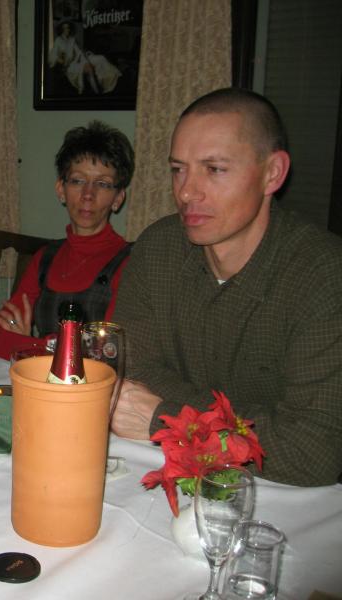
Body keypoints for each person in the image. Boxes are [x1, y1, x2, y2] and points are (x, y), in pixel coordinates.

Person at [111, 87, 342, 487]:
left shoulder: (322, 273)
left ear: (272, 173)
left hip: (281, 500)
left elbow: (312, 451)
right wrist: (252, 426)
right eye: (178, 169)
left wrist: (169, 418)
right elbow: (132, 373)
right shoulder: (158, 248)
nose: (186, 191)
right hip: (170, 475)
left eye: (214, 169)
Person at [0, 120, 134, 361]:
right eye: (77, 180)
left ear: (118, 198)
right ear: (61, 190)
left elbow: (106, 357)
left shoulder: (129, 264)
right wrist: (49, 348)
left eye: (103, 184)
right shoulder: (45, 257)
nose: (88, 195)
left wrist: (29, 345)